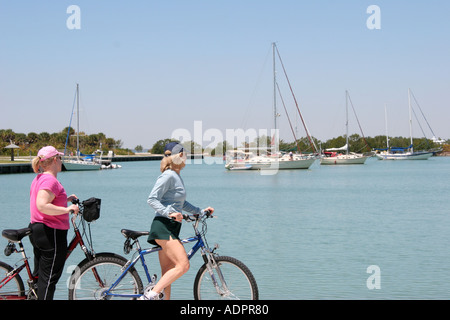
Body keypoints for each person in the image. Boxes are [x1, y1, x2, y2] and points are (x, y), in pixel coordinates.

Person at [142, 143, 214, 300]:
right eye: (184, 154)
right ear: (178, 156)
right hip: (163, 227)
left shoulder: (176, 175)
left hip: (172, 227)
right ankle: (149, 296)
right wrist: (170, 213)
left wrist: (200, 212)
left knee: (167, 274)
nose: (186, 157)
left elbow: (181, 204)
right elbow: (152, 199)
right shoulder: (168, 175)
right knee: (183, 266)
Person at [29, 146, 79, 300]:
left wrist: (66, 199)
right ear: (55, 160)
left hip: (38, 230)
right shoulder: (50, 180)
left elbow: (49, 199)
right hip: (51, 234)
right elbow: (42, 205)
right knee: (48, 280)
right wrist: (67, 209)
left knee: (40, 278)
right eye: (60, 158)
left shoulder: (40, 178)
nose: (61, 161)